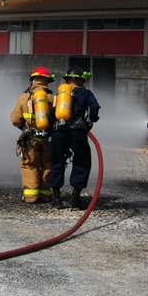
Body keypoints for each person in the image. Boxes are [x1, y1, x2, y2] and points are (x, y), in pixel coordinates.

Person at [48, 66, 101, 210]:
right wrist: (91, 120)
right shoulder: (85, 93)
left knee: (57, 162)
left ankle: (57, 199)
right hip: (77, 132)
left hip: (59, 132)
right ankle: (75, 198)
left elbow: (51, 115)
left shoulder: (59, 95)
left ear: (66, 80)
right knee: (82, 162)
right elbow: (94, 107)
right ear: (81, 80)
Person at [9, 67, 55, 204]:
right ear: (47, 81)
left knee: (30, 166)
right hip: (49, 139)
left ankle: (31, 196)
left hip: (30, 140)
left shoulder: (24, 98)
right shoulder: (53, 98)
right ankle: (45, 195)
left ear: (32, 80)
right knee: (48, 165)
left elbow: (15, 120)